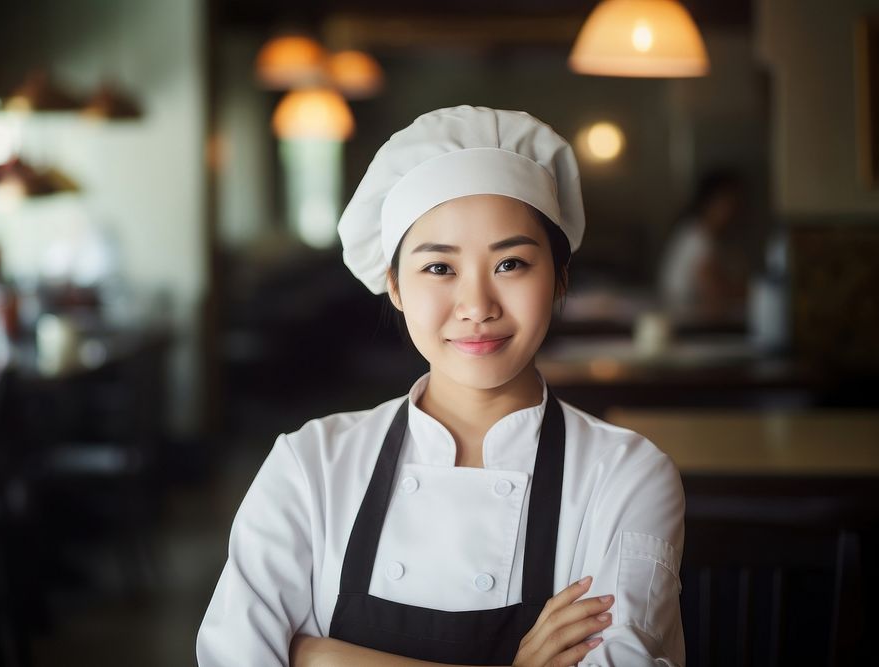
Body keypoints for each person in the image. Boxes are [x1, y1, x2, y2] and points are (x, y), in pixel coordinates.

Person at [197, 106, 685, 666]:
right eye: (438, 268)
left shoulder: (627, 475)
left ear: (560, 279)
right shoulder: (310, 465)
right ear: (395, 287)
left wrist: (321, 658)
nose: (477, 307)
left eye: (511, 264)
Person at [659, 169, 749, 324]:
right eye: (731, 203)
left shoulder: (694, 232)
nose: (736, 211)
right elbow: (715, 292)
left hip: (685, 321)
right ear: (712, 202)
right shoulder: (699, 238)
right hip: (688, 325)